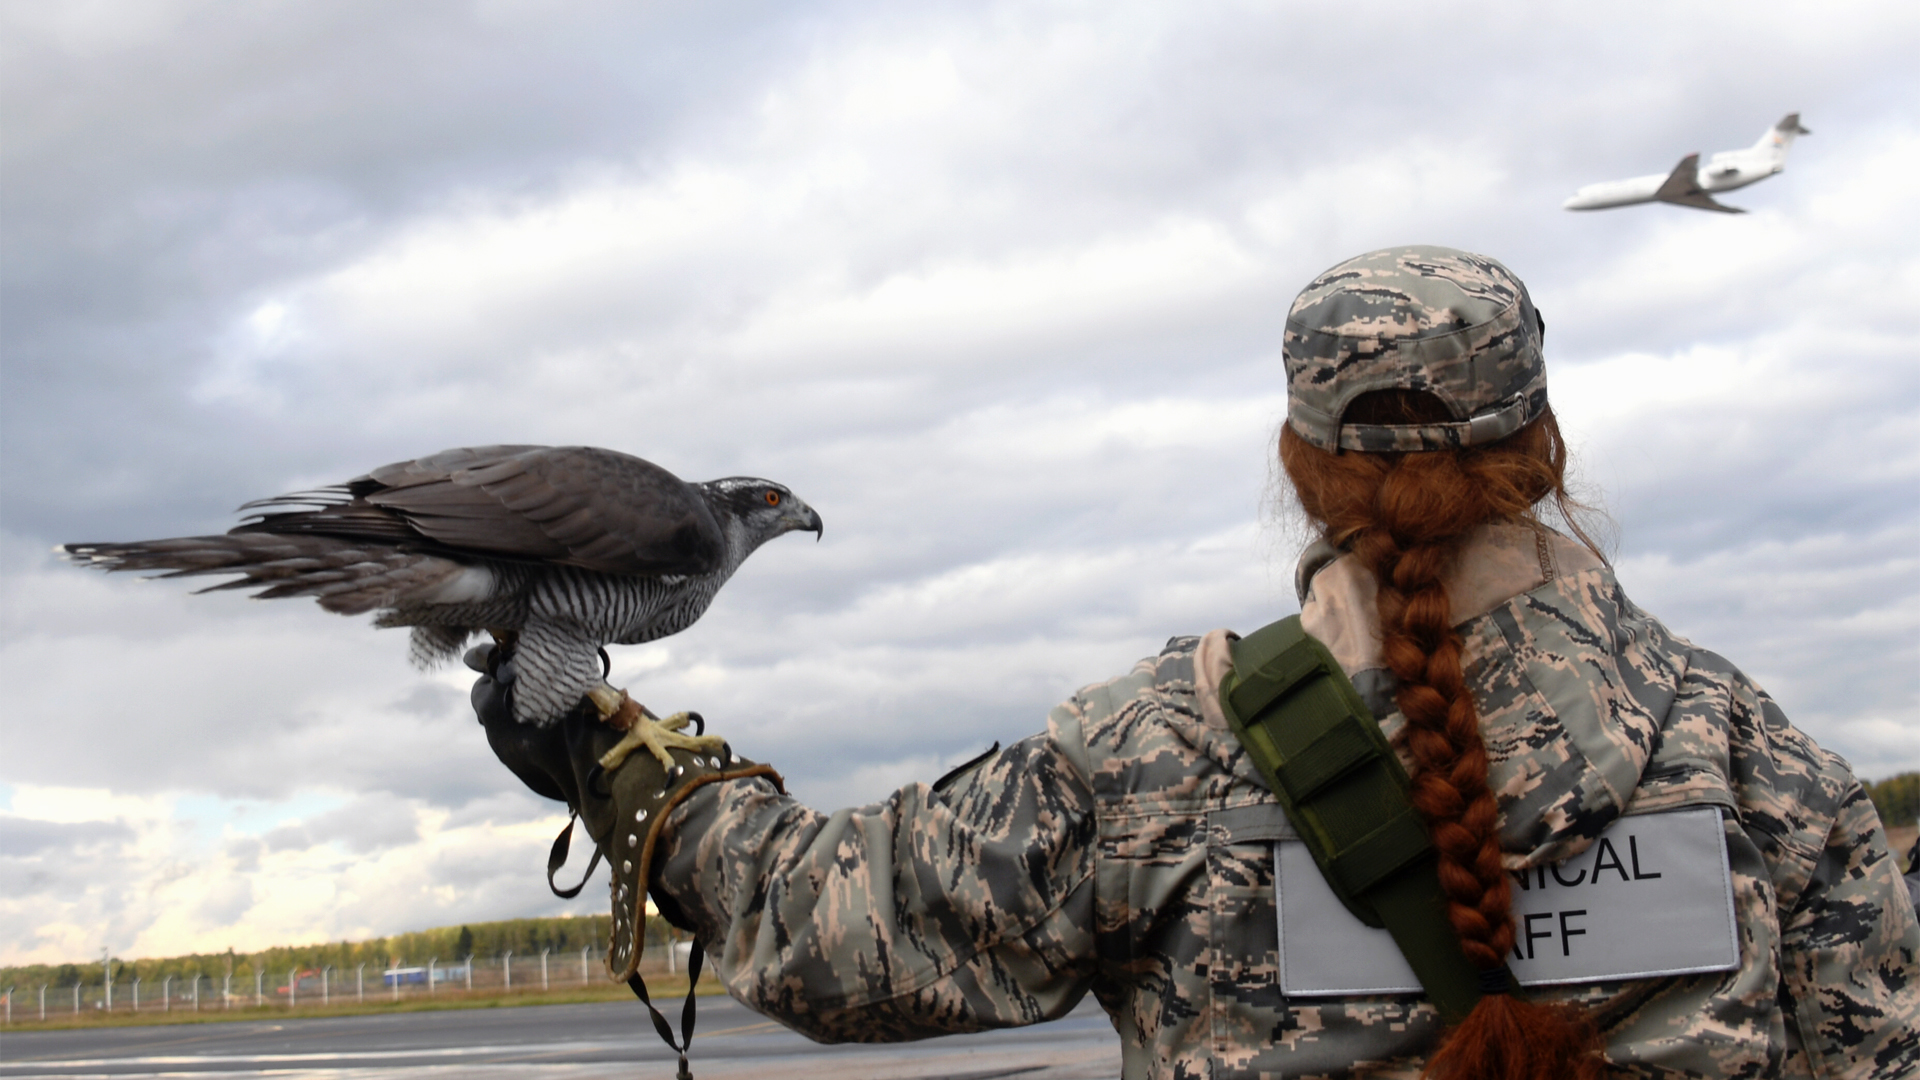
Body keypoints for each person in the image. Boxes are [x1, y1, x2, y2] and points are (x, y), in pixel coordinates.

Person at [474, 245, 1920, 1079]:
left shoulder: (1155, 758)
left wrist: (611, 762)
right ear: (1543, 452)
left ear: (1300, 466)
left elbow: (828, 933)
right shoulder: (1761, 763)